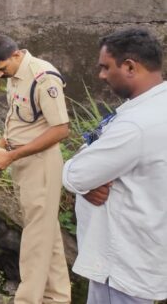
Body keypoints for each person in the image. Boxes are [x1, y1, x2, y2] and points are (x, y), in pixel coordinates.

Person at [63, 28, 167, 303]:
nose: (101, 75)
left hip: (120, 266)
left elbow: (77, 175)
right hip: (146, 257)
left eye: (106, 67)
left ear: (130, 66)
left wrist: (81, 173)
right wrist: (93, 173)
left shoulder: (135, 126)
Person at [0, 34, 71, 304]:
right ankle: (57, 297)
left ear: (16, 55)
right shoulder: (15, 76)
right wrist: (1, 144)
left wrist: (12, 155)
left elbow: (60, 129)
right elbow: (17, 117)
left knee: (34, 239)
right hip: (23, 162)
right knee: (46, 233)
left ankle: (27, 300)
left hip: (40, 165)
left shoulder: (44, 78)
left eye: (1, 69)